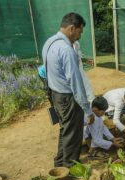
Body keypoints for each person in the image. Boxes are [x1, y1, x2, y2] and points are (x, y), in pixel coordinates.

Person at [42, 12, 94, 168]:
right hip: (67, 98)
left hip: (55, 94)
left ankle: (59, 162)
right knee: (73, 132)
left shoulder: (49, 42)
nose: (79, 36)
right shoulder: (66, 50)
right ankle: (70, 167)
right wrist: (87, 110)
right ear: (72, 28)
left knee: (65, 128)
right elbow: (76, 84)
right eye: (79, 32)